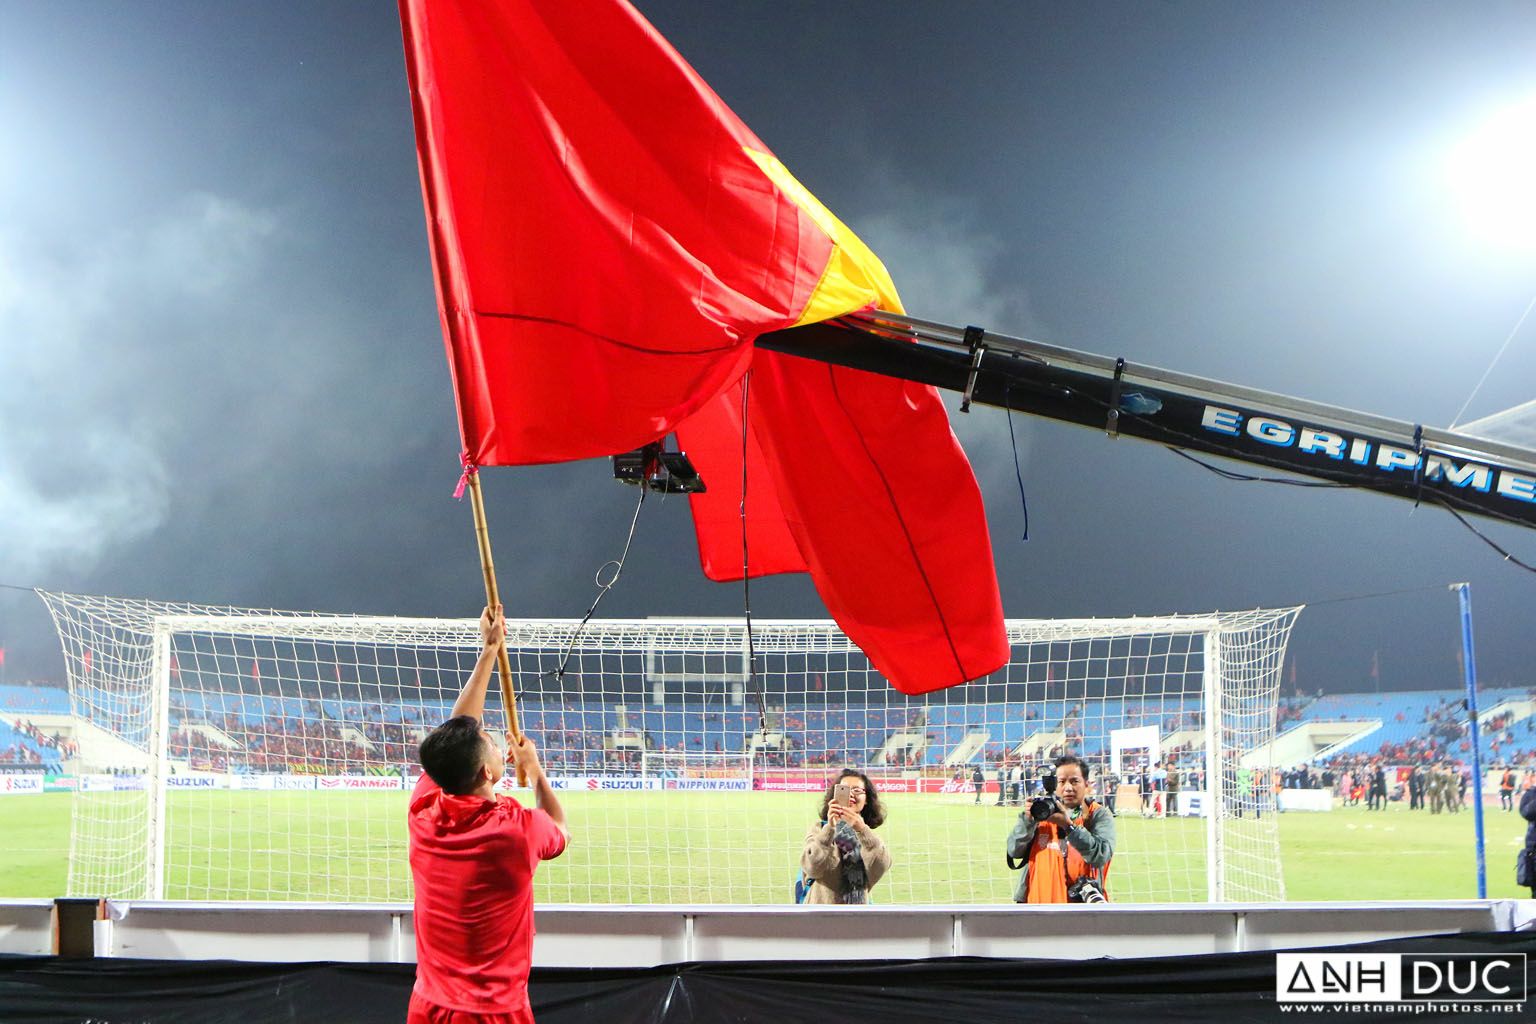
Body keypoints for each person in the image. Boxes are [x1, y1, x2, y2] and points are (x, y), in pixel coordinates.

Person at [408, 605, 570, 1024]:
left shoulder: (424, 809)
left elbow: (458, 728)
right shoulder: (517, 830)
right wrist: (536, 772)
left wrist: (489, 649)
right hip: (492, 1012)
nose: (498, 743)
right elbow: (561, 830)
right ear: (485, 772)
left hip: (427, 1004)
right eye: (492, 743)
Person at [1006, 754, 1115, 903]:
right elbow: (1014, 851)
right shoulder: (1040, 812)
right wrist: (1027, 821)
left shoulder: (1097, 814)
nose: (1068, 788)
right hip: (1036, 905)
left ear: (1086, 784)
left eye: (1075, 781)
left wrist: (1068, 826)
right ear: (1054, 785)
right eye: (1061, 782)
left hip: (1080, 908)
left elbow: (1101, 855)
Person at [800, 769, 892, 904]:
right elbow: (812, 869)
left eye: (857, 790)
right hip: (820, 912)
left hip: (857, 913)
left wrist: (862, 829)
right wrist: (830, 828)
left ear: (866, 799)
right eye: (845, 789)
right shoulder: (819, 829)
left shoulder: (868, 837)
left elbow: (880, 867)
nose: (851, 795)